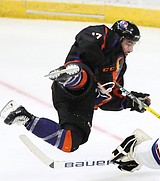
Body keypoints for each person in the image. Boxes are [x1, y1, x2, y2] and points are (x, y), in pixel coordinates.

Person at [0, 20, 150, 152]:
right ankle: (70, 77)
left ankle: (25, 118)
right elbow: (85, 42)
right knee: (86, 80)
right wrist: (102, 67)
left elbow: (109, 98)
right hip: (74, 84)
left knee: (71, 142)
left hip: (80, 103)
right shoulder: (105, 35)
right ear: (118, 38)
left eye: (133, 45)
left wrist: (129, 102)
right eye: (129, 43)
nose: (130, 50)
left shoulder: (120, 66)